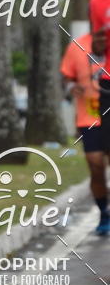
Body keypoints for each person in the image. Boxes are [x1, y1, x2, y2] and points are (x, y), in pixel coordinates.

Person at [60, 33, 107, 235]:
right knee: (95, 164)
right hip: (90, 116)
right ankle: (104, 212)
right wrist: (72, 87)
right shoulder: (78, 46)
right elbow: (66, 78)